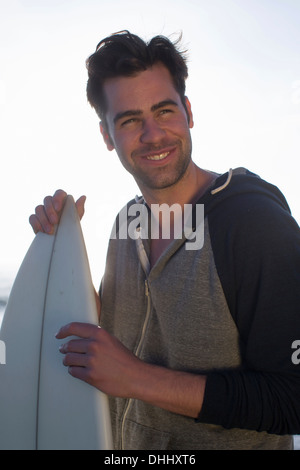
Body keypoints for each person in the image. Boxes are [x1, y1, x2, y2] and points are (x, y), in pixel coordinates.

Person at [29, 31, 300, 450]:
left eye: (165, 110)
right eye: (130, 119)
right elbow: (122, 327)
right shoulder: (126, 222)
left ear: (188, 112)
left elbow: (292, 397)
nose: (153, 134)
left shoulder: (253, 224)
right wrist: (62, 251)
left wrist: (137, 378)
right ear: (107, 135)